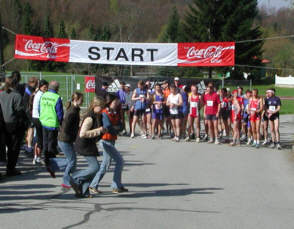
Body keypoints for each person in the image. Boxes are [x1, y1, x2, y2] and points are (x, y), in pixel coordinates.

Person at [89, 93, 128, 194]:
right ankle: (116, 186)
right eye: (115, 101)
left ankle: (93, 185)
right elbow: (108, 127)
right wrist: (116, 128)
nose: (117, 103)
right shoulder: (104, 113)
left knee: (106, 164)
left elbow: (120, 125)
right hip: (105, 140)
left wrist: (117, 127)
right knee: (119, 161)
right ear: (110, 102)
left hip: (111, 139)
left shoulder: (114, 112)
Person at [70, 96, 105, 198]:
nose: (102, 109)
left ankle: (84, 191)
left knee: (93, 170)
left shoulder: (97, 115)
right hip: (83, 144)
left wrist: (102, 131)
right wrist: (98, 130)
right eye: (100, 107)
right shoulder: (90, 117)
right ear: (94, 106)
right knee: (95, 167)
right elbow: (82, 134)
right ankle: (76, 177)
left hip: (90, 144)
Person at [0, 76, 26, 176]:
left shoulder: (1, 94)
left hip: (2, 123)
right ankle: (10, 168)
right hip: (13, 124)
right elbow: (20, 111)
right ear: (15, 84)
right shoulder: (17, 96)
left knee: (3, 146)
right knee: (13, 147)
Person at [57, 92, 83, 189]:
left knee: (72, 160)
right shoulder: (72, 111)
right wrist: (75, 133)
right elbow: (66, 126)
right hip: (65, 139)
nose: (82, 101)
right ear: (76, 100)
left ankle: (72, 178)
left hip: (67, 139)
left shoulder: (75, 110)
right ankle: (66, 180)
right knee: (72, 161)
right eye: (81, 100)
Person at [39, 81, 64, 177]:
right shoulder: (56, 97)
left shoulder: (44, 95)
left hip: (43, 121)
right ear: (57, 88)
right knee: (51, 143)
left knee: (45, 141)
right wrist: (60, 122)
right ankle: (51, 161)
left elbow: (39, 108)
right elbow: (59, 113)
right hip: (52, 123)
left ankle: (45, 159)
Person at [31, 79, 49, 164]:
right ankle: (37, 157)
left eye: (47, 87)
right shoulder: (41, 94)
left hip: (35, 117)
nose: (46, 88)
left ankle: (36, 156)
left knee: (38, 137)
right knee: (40, 138)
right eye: (45, 87)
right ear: (41, 87)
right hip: (38, 118)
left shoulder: (38, 93)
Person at [23, 77, 39, 155]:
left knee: (30, 130)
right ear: (32, 83)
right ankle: (29, 146)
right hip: (29, 112)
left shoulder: (27, 88)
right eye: (36, 84)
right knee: (31, 130)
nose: (37, 85)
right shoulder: (30, 90)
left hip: (27, 112)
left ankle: (28, 144)